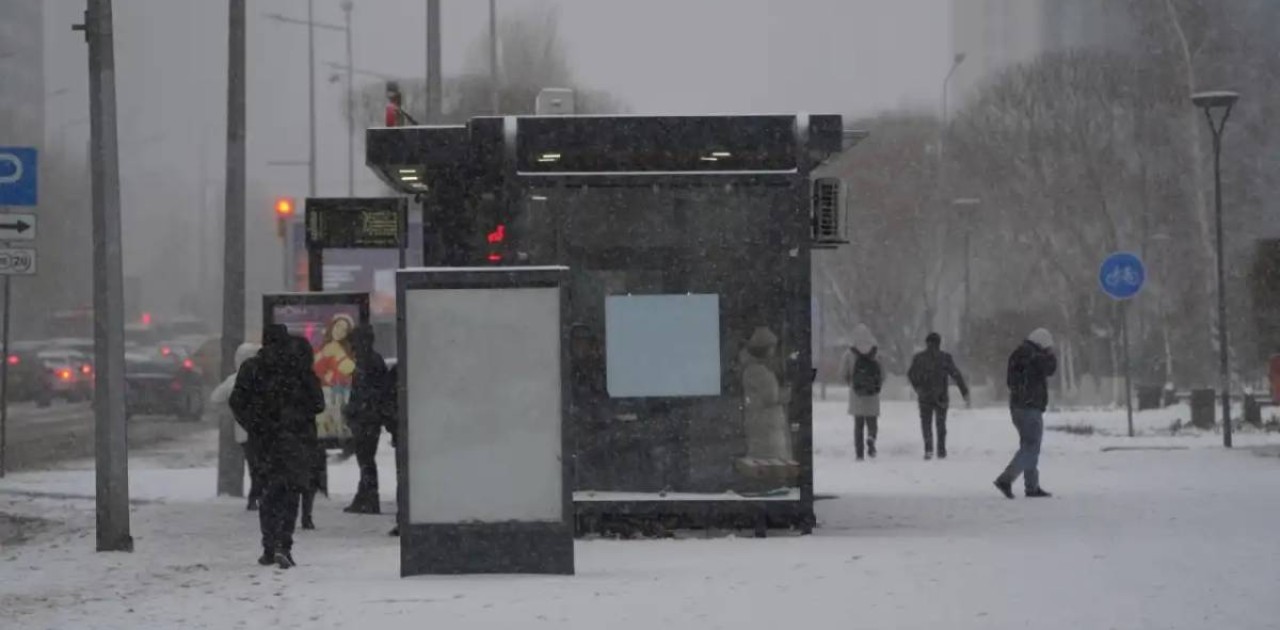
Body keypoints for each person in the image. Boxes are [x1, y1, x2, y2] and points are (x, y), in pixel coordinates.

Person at [231, 326, 325, 569]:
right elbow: (318, 403)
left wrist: (254, 424)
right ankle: (285, 544)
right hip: (295, 439)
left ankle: (269, 546)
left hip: (263, 441)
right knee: (291, 493)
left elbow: (236, 401)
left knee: (267, 492)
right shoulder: (298, 369)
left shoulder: (252, 368)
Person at [995, 328, 1058, 499]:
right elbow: (1050, 369)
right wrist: (1050, 355)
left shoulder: (1017, 355)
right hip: (1031, 408)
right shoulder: (1035, 356)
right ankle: (1006, 479)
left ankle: (1032, 486)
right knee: (1031, 448)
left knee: (1028, 446)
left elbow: (1010, 381)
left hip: (1017, 407)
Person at [342, 324, 391, 515]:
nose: (353, 347)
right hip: (366, 418)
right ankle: (365, 497)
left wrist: (358, 409)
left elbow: (371, 393)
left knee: (366, 460)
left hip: (367, 419)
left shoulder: (370, 362)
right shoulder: (368, 360)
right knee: (365, 459)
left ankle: (369, 498)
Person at [210, 342, 264, 510]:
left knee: (255, 466)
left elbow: (216, 398)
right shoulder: (264, 378)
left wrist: (232, 412)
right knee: (261, 466)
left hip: (244, 430)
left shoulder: (234, 380)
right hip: (261, 430)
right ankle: (257, 496)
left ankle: (256, 496)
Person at [907, 332, 970, 460]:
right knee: (941, 424)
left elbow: (911, 374)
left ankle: (928, 448)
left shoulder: (919, 358)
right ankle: (941, 450)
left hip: (924, 395)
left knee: (926, 423)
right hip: (941, 395)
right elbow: (956, 374)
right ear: (939, 343)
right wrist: (964, 392)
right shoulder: (945, 358)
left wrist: (917, 387)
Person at [841, 324, 885, 461]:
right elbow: (882, 373)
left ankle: (859, 454)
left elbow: (843, 373)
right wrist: (876, 385)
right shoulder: (876, 352)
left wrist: (851, 383)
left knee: (858, 425)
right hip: (872, 394)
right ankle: (871, 437)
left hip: (857, 393)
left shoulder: (849, 353)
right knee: (872, 421)